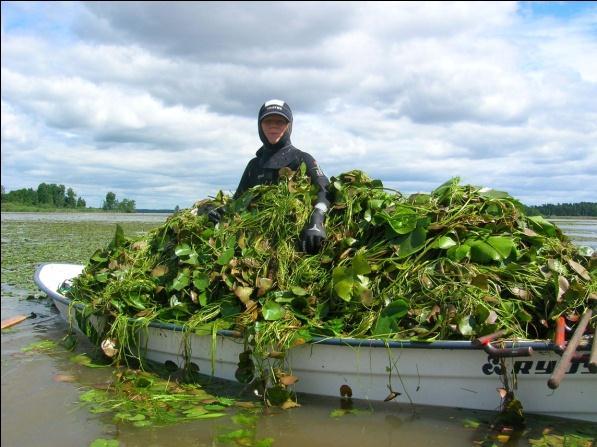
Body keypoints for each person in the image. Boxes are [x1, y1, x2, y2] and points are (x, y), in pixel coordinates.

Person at [209, 99, 330, 254]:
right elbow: (238, 202)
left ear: (289, 126)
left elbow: (324, 189)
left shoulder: (302, 159)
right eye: (268, 121)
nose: (273, 125)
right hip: (257, 247)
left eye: (280, 121)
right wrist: (220, 212)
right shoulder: (254, 165)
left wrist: (317, 220)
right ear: (260, 126)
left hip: (293, 245)